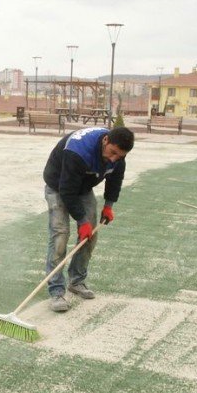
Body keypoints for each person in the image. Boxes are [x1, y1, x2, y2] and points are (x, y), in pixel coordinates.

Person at [42, 126, 135, 312]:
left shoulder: (118, 155)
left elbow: (115, 179)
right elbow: (67, 191)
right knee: (60, 234)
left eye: (120, 156)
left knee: (90, 236)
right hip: (58, 185)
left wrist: (109, 205)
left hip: (83, 187)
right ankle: (56, 290)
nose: (114, 158)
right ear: (105, 140)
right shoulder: (78, 151)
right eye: (112, 153)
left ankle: (76, 281)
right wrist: (82, 221)